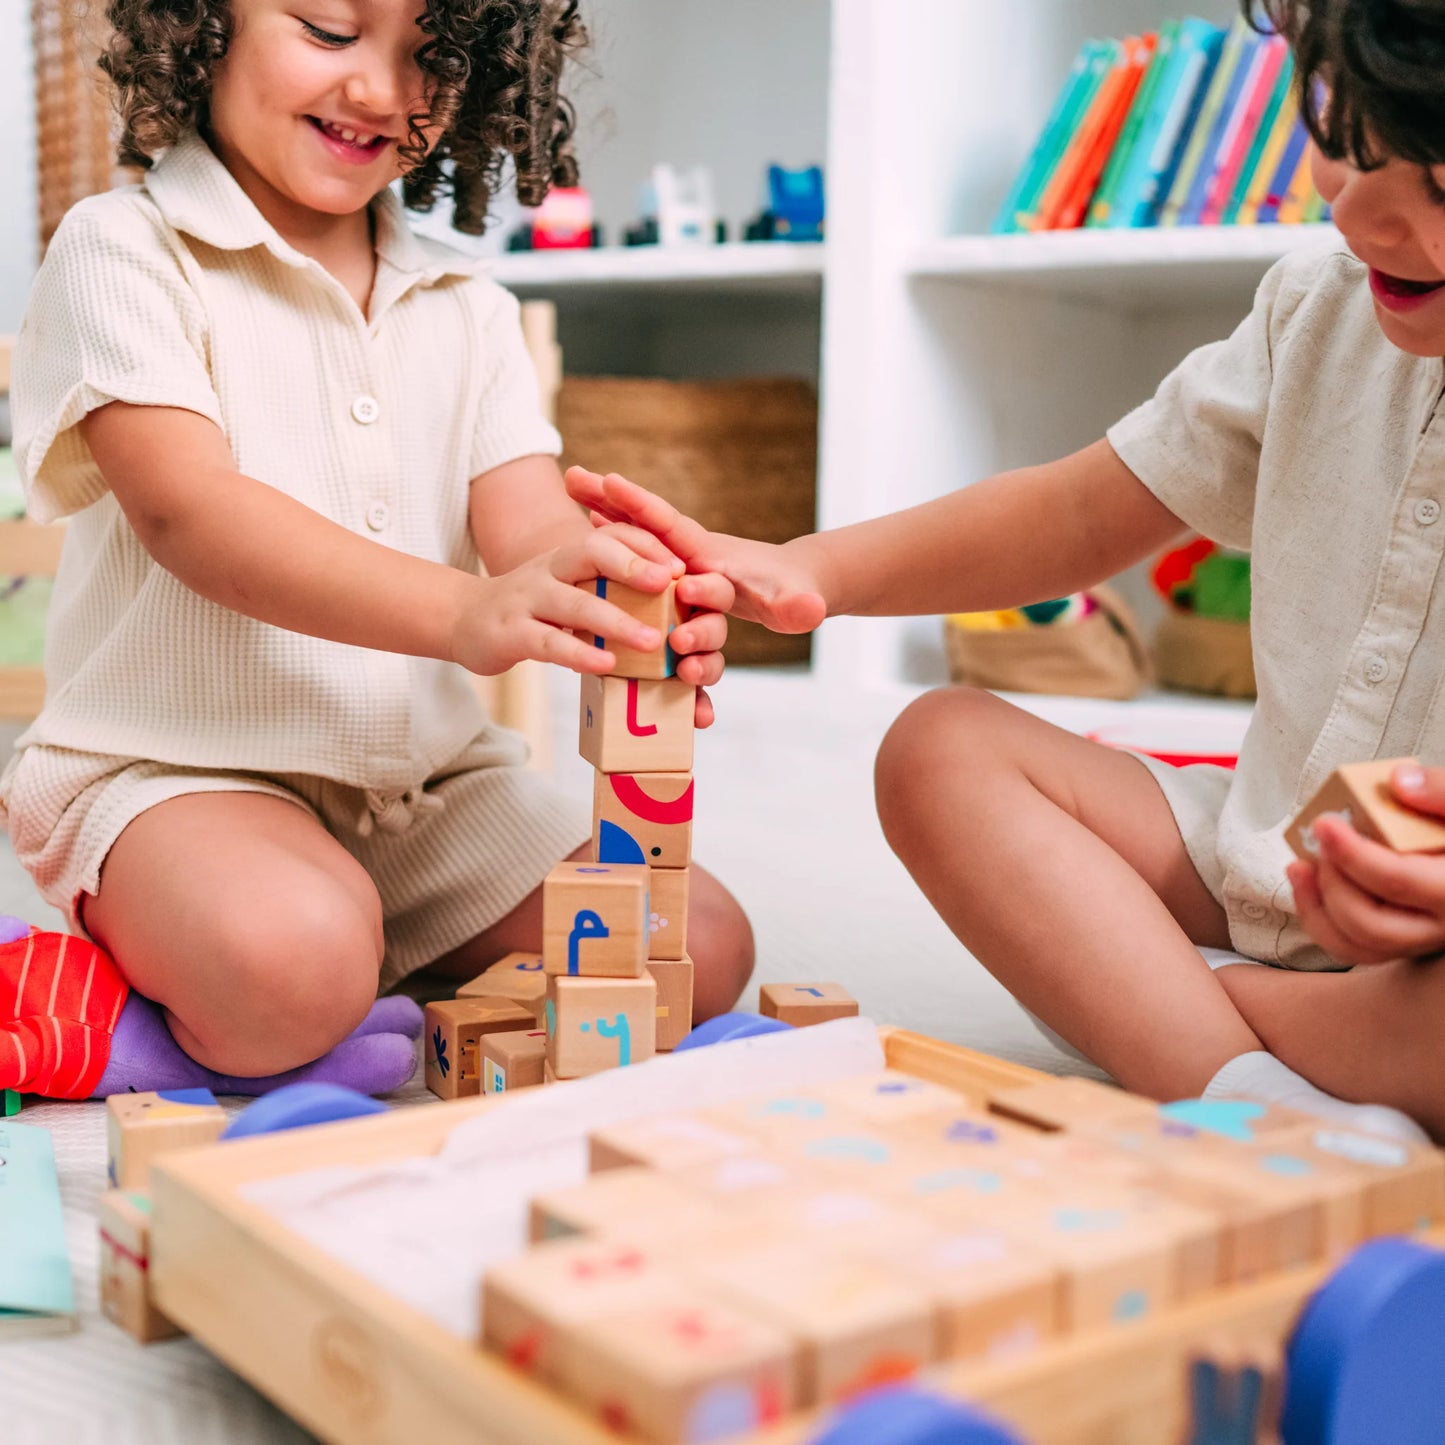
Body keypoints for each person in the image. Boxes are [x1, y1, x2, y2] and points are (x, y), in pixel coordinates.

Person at [567, 0, 1445, 1144]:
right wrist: (809, 565)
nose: (1360, 213)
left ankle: (1165, 1008)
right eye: (1342, 139)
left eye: (1432, 184)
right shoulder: (1309, 309)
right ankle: (1248, 1088)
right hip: (1260, 844)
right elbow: (1079, 506)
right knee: (940, 750)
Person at [2, 0, 753, 1081]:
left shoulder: (467, 302)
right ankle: (129, 1026)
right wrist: (462, 612)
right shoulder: (124, 247)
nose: (383, 92)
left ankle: (357, 989)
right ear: (202, 22)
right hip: (176, 772)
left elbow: (530, 531)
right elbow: (192, 514)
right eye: (327, 29)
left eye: (431, 55)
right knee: (291, 960)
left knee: (701, 947)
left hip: (428, 793)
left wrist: (624, 597)